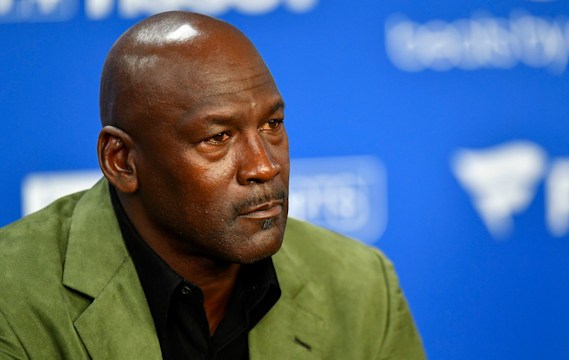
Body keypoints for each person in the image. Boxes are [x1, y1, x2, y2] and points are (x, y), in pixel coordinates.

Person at [0, 11, 426, 360]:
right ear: (122, 161)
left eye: (272, 125)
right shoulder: (12, 297)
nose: (263, 166)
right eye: (217, 137)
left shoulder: (363, 287)